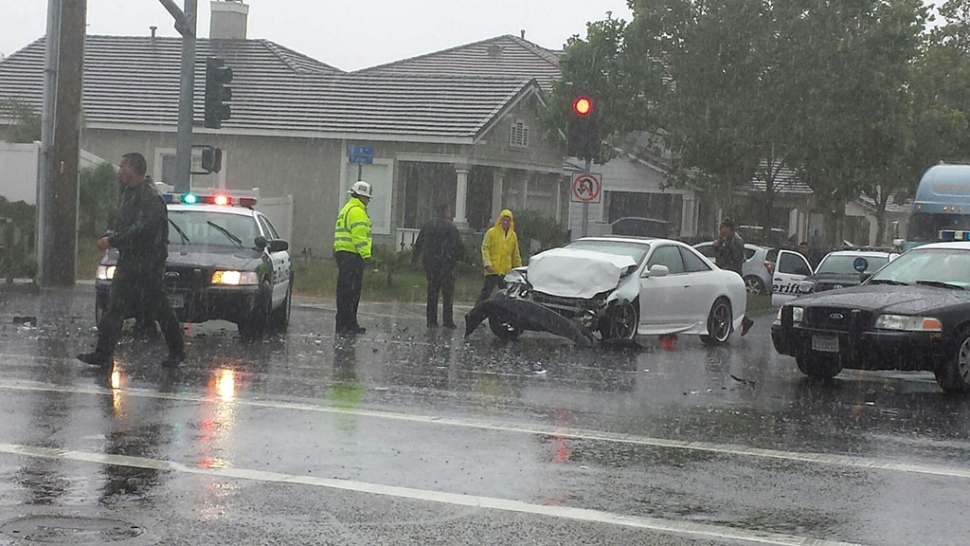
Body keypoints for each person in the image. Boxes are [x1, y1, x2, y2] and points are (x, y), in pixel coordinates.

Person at [77, 153, 185, 368]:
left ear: (134, 169)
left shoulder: (149, 196)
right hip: (130, 260)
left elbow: (144, 228)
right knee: (115, 306)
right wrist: (116, 233)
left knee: (160, 308)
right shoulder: (131, 193)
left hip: (148, 263)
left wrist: (114, 239)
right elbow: (131, 225)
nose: (119, 171)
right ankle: (103, 354)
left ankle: (177, 352)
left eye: (123, 166)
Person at [412, 203, 466, 328]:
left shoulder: (428, 225)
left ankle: (431, 320)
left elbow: (419, 243)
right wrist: (465, 260)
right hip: (446, 265)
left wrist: (415, 258)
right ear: (446, 211)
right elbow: (459, 246)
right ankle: (447, 320)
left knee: (432, 292)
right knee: (447, 294)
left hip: (431, 265)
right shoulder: (451, 227)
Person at [333, 180, 373, 335]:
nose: (369, 201)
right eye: (367, 197)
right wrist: (366, 256)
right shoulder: (357, 211)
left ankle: (344, 323)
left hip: (343, 253)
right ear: (361, 196)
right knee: (352, 291)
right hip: (352, 255)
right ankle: (348, 324)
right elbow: (360, 236)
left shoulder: (347, 208)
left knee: (344, 291)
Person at [712, 218, 754, 337]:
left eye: (723, 228)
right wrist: (716, 246)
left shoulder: (736, 241)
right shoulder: (725, 239)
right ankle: (741, 321)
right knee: (729, 300)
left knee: (732, 300)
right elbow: (720, 254)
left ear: (728, 228)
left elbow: (734, 259)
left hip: (732, 275)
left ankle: (740, 321)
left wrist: (721, 249)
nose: (721, 231)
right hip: (724, 273)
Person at [477, 209, 522, 305]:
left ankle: (501, 315)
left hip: (505, 272)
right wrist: (487, 264)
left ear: (511, 222)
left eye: (507, 220)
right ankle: (475, 314)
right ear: (500, 220)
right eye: (503, 220)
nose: (505, 222)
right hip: (492, 270)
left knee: (506, 295)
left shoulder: (513, 236)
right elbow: (485, 248)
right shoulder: (491, 232)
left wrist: (519, 269)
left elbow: (515, 254)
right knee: (485, 293)